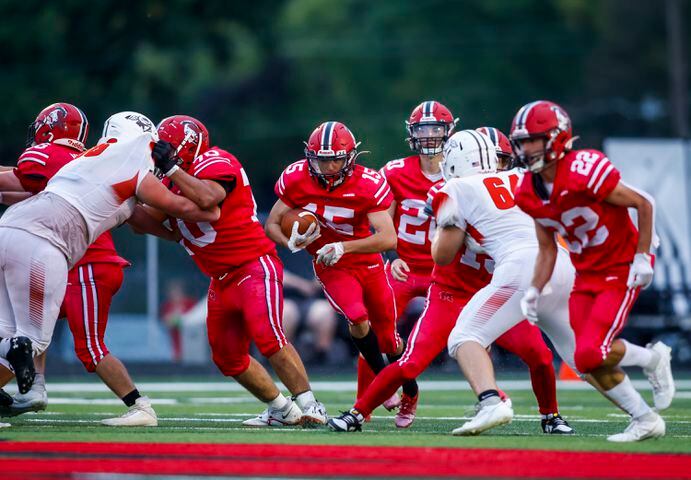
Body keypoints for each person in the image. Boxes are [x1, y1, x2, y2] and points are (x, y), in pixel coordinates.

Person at [328, 130, 572, 434]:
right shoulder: (456, 190)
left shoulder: (517, 186)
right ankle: (357, 412)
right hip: (452, 292)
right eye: (494, 160)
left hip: (496, 289)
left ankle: (551, 416)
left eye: (501, 160)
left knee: (539, 354)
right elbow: (441, 254)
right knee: (411, 362)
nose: (498, 167)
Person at [0, 111, 219, 428]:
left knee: (8, 331)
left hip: (12, 229)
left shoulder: (88, 161)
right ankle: (134, 405)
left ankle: (31, 383)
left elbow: (144, 222)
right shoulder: (133, 163)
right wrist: (211, 205)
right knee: (33, 340)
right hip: (45, 244)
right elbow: (187, 210)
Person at [511, 100, 674, 442]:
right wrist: (535, 289)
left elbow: (643, 203)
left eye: (534, 140)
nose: (526, 149)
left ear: (557, 138)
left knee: (589, 352)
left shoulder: (585, 169)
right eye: (522, 141)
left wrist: (643, 256)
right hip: (586, 272)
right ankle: (645, 413)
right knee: (585, 361)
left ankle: (651, 367)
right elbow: (546, 248)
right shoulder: (527, 190)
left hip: (621, 265)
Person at [152, 115, 326, 427]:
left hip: (252, 265)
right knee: (227, 357)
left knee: (269, 337)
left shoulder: (215, 161)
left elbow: (208, 196)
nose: (160, 157)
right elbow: (146, 221)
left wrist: (171, 170)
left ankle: (311, 405)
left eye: (167, 151)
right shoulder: (170, 178)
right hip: (220, 279)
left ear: (185, 148)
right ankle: (282, 410)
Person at [433, 129, 580, 436]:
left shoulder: (458, 187)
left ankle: (490, 401)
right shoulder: (522, 177)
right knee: (582, 356)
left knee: (464, 336)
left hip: (519, 272)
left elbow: (443, 256)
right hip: (561, 263)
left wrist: (446, 223)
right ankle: (641, 401)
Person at [265, 121, 417, 414]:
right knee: (357, 318)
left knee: (389, 338)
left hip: (366, 260)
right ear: (311, 157)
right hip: (330, 264)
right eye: (322, 159)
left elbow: (388, 238)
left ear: (350, 157)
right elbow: (271, 224)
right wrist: (290, 243)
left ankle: (411, 389)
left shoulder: (368, 182)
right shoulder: (296, 178)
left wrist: (343, 246)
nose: (329, 166)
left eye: (336, 158)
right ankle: (383, 386)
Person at [160, 279, 197, 362]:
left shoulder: (190, 303)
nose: (174, 294)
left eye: (177, 291)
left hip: (191, 341)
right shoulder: (167, 305)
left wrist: (181, 319)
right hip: (175, 344)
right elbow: (167, 322)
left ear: (182, 291)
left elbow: (196, 320)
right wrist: (176, 319)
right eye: (172, 292)